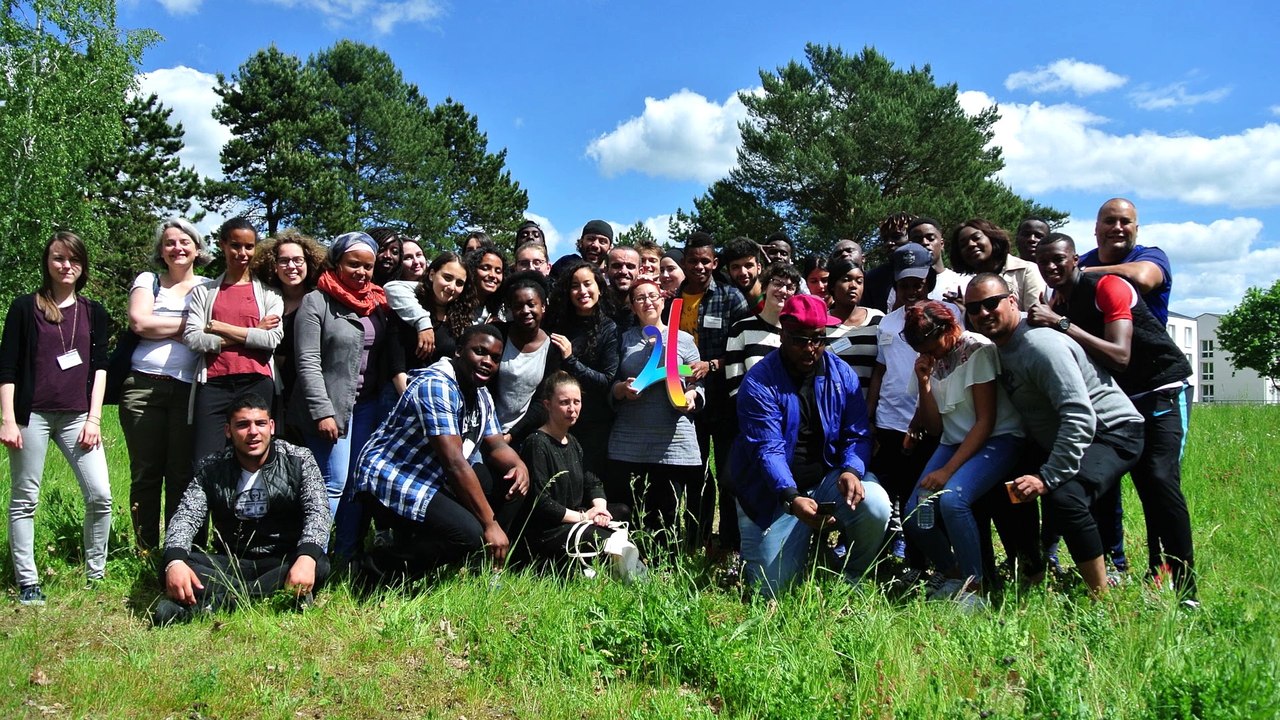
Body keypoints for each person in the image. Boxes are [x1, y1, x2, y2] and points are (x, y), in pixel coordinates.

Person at [1030, 233, 1197, 598]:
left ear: (1076, 260)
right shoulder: (1061, 300)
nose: (1052, 267)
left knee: (1157, 482)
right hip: (1118, 405)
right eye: (1044, 262)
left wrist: (1059, 323)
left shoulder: (1107, 286)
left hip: (1161, 392)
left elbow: (1120, 354)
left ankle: (1183, 586)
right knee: (1098, 487)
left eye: (1059, 259)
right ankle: (1113, 571)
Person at [966, 273, 1145, 598]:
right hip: (1061, 437)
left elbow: (1079, 415)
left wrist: (1047, 477)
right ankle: (1033, 573)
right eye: (974, 308)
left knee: (1066, 498)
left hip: (1111, 431)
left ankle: (1099, 597)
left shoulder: (1039, 345)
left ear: (1012, 301)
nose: (983, 313)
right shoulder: (999, 346)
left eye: (991, 303)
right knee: (1004, 489)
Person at [730, 294, 892, 598]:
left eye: (818, 339)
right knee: (769, 591)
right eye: (800, 340)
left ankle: (853, 574)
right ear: (782, 336)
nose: (810, 348)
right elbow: (768, 449)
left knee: (876, 504)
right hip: (771, 491)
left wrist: (852, 470)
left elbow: (857, 432)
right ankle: (795, 547)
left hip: (827, 479)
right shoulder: (758, 382)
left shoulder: (841, 374)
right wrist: (790, 497)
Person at [355, 325, 530, 579]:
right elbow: (454, 463)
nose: (487, 362)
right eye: (479, 352)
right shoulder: (437, 385)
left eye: (495, 358)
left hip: (430, 474)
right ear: (459, 351)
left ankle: (484, 562)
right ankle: (375, 568)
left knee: (510, 483)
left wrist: (520, 466)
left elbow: (496, 445)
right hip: (391, 475)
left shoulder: (481, 395)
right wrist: (489, 524)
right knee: (468, 534)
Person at [1, 232, 112, 606]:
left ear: (83, 266)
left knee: (100, 496)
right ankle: (28, 581)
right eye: (59, 258)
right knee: (24, 499)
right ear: (47, 262)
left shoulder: (93, 311)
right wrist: (7, 419)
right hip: (30, 416)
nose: (67, 266)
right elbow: (8, 368)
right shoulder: (24, 307)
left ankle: (95, 575)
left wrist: (94, 419)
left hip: (78, 417)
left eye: (74, 260)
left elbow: (99, 368)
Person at [154, 393, 329, 624]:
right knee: (172, 564)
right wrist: (175, 563)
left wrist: (306, 557)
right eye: (243, 425)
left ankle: (211, 604)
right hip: (231, 562)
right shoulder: (212, 467)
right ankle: (270, 596)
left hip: (282, 559)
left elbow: (318, 511)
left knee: (320, 564)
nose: (253, 432)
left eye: (260, 423)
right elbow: (186, 517)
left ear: (272, 426)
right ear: (228, 431)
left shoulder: (299, 459)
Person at [900, 302, 1025, 607]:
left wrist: (947, 471)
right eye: (920, 347)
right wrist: (924, 382)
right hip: (952, 441)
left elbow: (985, 421)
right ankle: (954, 573)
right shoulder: (930, 358)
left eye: (931, 344)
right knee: (915, 515)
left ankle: (975, 588)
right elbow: (933, 426)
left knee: (953, 500)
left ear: (948, 328)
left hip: (998, 438)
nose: (929, 352)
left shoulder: (977, 350)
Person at [290, 232, 391, 559]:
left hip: (367, 407)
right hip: (331, 407)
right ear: (336, 263)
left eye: (368, 266)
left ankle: (346, 556)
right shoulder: (316, 301)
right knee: (331, 483)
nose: (361, 272)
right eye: (353, 264)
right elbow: (307, 361)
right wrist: (322, 411)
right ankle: (311, 559)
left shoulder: (377, 303)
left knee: (355, 485)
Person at [121, 218, 212, 552]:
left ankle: (177, 549)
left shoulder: (208, 285)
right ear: (161, 250)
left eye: (185, 242)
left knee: (180, 474)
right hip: (143, 387)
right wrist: (187, 326)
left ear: (197, 248)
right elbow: (139, 321)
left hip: (189, 390)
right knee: (146, 472)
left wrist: (165, 326)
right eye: (170, 242)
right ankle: (145, 548)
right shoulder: (149, 280)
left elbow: (212, 329)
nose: (178, 248)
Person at [608, 279, 703, 549]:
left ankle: (666, 571)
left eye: (653, 296)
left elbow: (697, 380)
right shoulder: (623, 339)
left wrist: (692, 396)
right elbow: (610, 382)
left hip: (673, 443)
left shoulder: (684, 340)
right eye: (640, 298)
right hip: (629, 443)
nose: (647, 301)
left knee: (667, 517)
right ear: (632, 306)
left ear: (663, 301)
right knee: (630, 515)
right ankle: (627, 568)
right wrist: (620, 390)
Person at [184, 217, 283, 464]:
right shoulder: (204, 292)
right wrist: (251, 332)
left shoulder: (270, 294)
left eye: (249, 247)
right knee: (205, 463)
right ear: (223, 245)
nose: (242, 253)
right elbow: (193, 338)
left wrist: (219, 328)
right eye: (236, 246)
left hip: (257, 382)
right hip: (214, 384)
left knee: (254, 460)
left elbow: (271, 339)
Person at [679, 232, 751, 551]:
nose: (699, 266)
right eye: (693, 261)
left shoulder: (731, 297)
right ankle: (697, 538)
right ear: (685, 263)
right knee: (695, 474)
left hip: (724, 400)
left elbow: (742, 349)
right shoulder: (674, 301)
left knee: (727, 476)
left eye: (705, 261)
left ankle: (731, 543)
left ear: (714, 263)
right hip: (686, 397)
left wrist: (712, 364)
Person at [516, 372, 632, 569]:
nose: (572, 409)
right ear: (547, 405)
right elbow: (541, 502)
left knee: (621, 511)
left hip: (576, 518)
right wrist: (584, 517)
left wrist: (600, 510)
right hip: (549, 530)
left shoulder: (574, 442)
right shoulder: (536, 443)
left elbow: (592, 482)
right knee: (608, 538)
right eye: (564, 402)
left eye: (576, 402)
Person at [544, 260, 619, 485]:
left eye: (588, 284)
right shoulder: (557, 323)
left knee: (590, 483)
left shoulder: (609, 328)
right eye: (575, 286)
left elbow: (607, 380)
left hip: (595, 422)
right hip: (557, 419)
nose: (582, 291)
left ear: (599, 287)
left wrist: (571, 359)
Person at [251, 229, 325, 429]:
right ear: (273, 265)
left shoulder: (321, 301)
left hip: (307, 393)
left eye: (298, 260)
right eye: (284, 261)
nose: (291, 266)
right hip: (270, 389)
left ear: (308, 263)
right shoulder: (264, 301)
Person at [492, 273, 561, 448]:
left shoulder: (552, 348)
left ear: (543, 306)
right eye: (518, 306)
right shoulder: (498, 334)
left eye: (531, 304)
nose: (525, 311)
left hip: (525, 435)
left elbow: (542, 401)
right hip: (487, 428)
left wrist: (512, 434)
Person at [1079, 198, 1173, 324]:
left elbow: (1142, 279)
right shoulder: (1081, 261)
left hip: (1144, 342)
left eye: (1125, 222)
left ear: (1136, 230)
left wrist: (1081, 274)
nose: (1117, 227)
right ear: (1096, 228)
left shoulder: (1154, 256)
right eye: (1109, 221)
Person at [387, 252, 472, 390]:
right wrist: (411, 402)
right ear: (432, 274)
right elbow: (396, 369)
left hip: (443, 398)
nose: (452, 287)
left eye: (459, 283)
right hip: (401, 396)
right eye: (447, 278)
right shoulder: (408, 310)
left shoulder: (461, 320)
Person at [723, 263, 801, 398]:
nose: (783, 290)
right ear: (764, 287)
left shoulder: (798, 333)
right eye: (777, 283)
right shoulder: (741, 329)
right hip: (752, 411)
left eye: (790, 287)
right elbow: (734, 385)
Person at [948, 219, 1045, 313]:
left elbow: (1036, 317)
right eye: (963, 244)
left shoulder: (1027, 271)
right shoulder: (966, 283)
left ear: (992, 238)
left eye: (976, 238)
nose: (971, 244)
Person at [824, 258, 883, 395]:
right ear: (832, 285)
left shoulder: (878, 319)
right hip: (831, 408)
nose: (853, 285)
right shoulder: (821, 322)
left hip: (869, 409)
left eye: (859, 281)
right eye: (846, 279)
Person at [903, 217, 968, 304]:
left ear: (942, 244)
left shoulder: (964, 282)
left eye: (931, 238)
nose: (925, 242)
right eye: (917, 240)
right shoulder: (902, 287)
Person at [862, 211, 914, 312]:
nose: (889, 243)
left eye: (896, 236)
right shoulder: (873, 279)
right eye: (885, 239)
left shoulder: (932, 274)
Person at [464, 244, 507, 324]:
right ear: (472, 271)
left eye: (498, 271)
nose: (493, 275)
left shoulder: (501, 309)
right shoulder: (456, 304)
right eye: (485, 268)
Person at [604, 245, 642, 333]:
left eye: (630, 266)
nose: (624, 271)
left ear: (640, 272)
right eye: (617, 266)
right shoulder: (595, 306)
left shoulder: (647, 305)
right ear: (606, 270)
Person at [722, 237, 765, 309]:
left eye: (748, 266)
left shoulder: (775, 300)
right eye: (736, 267)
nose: (743, 272)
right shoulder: (726, 305)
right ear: (728, 271)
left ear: (759, 268)